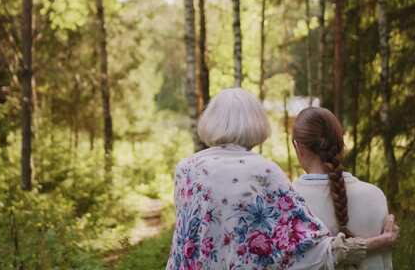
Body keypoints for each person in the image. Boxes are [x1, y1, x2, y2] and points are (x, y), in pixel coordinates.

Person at [166, 88, 399, 270]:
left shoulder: (186, 170)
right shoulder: (265, 171)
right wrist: (375, 243)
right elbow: (307, 252)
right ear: (256, 124)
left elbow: (187, 246)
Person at [292, 107, 393, 269]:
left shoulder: (287, 200)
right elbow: (385, 262)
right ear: (340, 144)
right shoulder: (375, 195)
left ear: (299, 148)